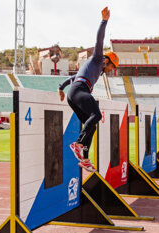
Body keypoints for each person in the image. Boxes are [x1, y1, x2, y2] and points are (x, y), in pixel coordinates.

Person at [58, 7, 119, 172]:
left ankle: (84, 158)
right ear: (108, 61)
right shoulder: (98, 59)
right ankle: (78, 144)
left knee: (92, 124)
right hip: (79, 90)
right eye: (112, 67)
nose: (111, 70)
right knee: (96, 115)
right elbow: (99, 39)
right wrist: (104, 21)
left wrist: (61, 87)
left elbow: (73, 78)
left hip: (74, 92)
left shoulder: (96, 70)